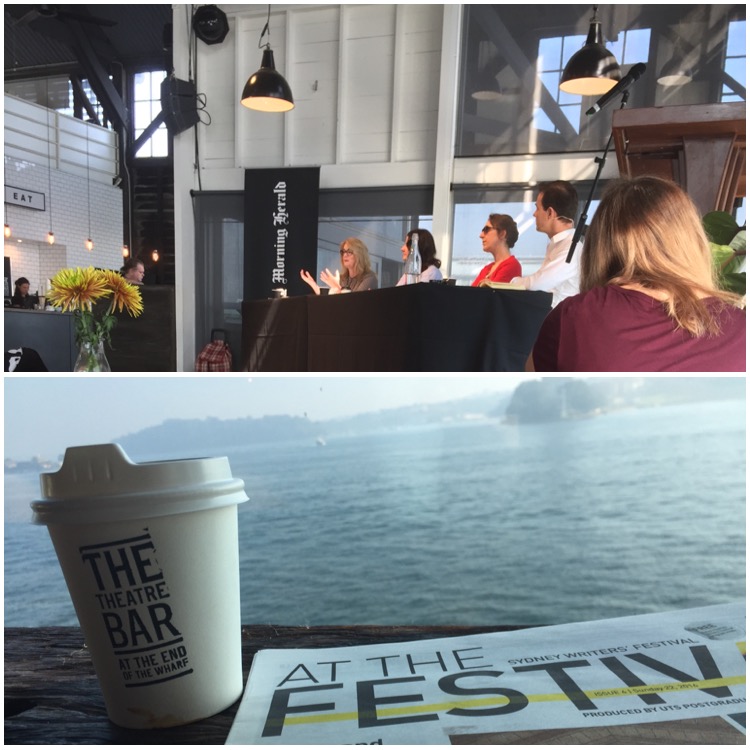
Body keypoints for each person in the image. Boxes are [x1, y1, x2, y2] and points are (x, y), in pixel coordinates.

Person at [528, 176, 746, 372]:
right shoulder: (741, 328)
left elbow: (534, 400)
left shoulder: (574, 317)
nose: (534, 213)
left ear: (601, 244)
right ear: (692, 241)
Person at [510, 180, 582, 307]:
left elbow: (538, 284)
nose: (534, 214)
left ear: (550, 213)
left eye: (537, 208)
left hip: (562, 322)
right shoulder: (558, 244)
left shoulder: (571, 247)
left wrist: (512, 283)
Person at [300, 237, 378, 294]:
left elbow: (354, 302)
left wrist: (337, 287)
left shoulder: (369, 278)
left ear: (359, 255)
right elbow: (332, 302)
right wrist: (314, 285)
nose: (345, 255)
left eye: (349, 252)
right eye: (343, 252)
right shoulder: (343, 278)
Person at [470, 214, 522, 287]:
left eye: (486, 229)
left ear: (502, 234)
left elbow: (487, 296)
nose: (481, 235)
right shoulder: (487, 269)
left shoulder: (512, 266)